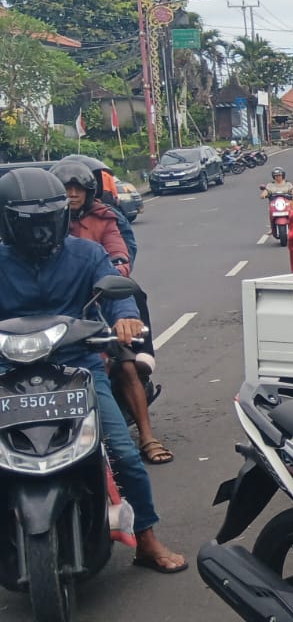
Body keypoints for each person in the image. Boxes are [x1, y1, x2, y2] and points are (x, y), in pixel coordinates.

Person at [0, 168, 187, 573]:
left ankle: (146, 540)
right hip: (7, 369)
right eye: (29, 223)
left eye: (47, 220)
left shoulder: (86, 254)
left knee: (123, 453)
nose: (40, 231)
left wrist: (125, 317)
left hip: (77, 365)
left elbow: (116, 292)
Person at [50, 161, 169, 465]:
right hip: (52, 307)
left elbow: (119, 255)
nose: (72, 194)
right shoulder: (43, 223)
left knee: (125, 362)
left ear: (90, 192)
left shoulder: (105, 218)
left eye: (78, 188)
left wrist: (108, 275)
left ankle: (146, 436)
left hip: (96, 299)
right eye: (66, 189)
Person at [260, 166, 293, 234]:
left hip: (288, 203)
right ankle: (272, 227)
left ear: (283, 175)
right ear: (273, 176)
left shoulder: (288, 184)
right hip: (275, 204)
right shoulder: (270, 185)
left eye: (279, 175)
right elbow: (265, 192)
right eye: (276, 176)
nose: (278, 177)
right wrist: (263, 195)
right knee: (270, 210)